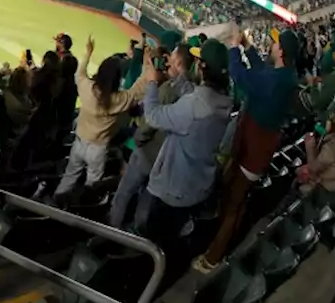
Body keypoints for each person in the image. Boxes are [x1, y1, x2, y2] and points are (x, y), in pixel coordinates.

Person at [198, 28, 301, 271]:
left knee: (234, 203)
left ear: (281, 51)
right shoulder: (284, 75)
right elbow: (261, 71)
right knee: (232, 197)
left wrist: (235, 48)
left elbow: (242, 76)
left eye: (276, 43)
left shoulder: (276, 82)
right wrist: (249, 47)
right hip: (252, 149)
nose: (273, 46)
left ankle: (212, 258)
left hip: (253, 153)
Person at [132, 41, 233, 248]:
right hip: (195, 186)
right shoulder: (223, 99)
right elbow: (195, 96)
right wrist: (176, 77)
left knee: (151, 241)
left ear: (202, 67)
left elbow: (152, 116)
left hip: (172, 190)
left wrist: (152, 82)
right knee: (170, 237)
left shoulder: (195, 106)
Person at [50, 36, 149, 201]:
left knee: (69, 177)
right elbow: (138, 90)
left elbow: (79, 74)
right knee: (92, 186)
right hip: (98, 150)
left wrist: (88, 53)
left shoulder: (87, 88)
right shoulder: (118, 99)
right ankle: (81, 210)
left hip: (79, 142)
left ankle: (54, 204)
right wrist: (147, 66)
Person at [110, 45, 195, 229]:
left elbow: (148, 126)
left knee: (123, 194)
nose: (168, 59)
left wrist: (139, 141)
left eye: (172, 56)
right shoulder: (193, 91)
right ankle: (136, 239)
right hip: (166, 162)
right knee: (146, 202)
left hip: (149, 153)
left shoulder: (168, 89)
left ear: (178, 62)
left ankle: (110, 233)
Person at [298, 89, 335, 195]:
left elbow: (314, 169)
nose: (333, 115)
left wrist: (310, 147)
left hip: (325, 190)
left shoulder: (334, 144)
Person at [301, 32, 335, 121]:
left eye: (333, 51)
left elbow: (317, 103)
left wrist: (312, 86)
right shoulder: (334, 76)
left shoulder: (334, 79)